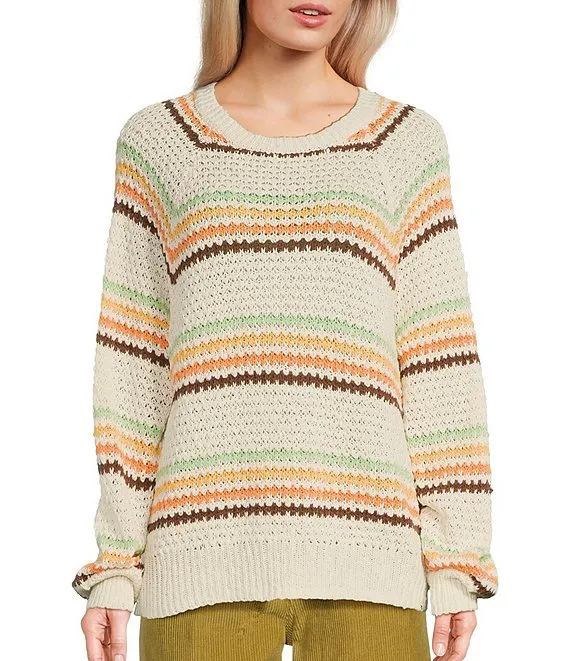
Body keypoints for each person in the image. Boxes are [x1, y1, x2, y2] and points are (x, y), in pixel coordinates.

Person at [73, 1, 499, 659]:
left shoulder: (403, 142)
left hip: (372, 561)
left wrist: (456, 560)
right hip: (198, 559)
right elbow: (134, 364)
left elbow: (439, 357)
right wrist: (116, 565)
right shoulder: (161, 141)